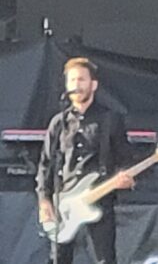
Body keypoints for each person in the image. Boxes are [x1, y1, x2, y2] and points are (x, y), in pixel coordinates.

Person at [36, 57, 136, 264]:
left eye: (81, 80)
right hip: (64, 201)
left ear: (93, 84)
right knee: (59, 259)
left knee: (105, 259)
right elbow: (45, 164)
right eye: (71, 81)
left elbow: (126, 158)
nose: (76, 85)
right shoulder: (59, 123)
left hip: (100, 198)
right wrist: (44, 200)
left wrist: (127, 178)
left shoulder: (110, 119)